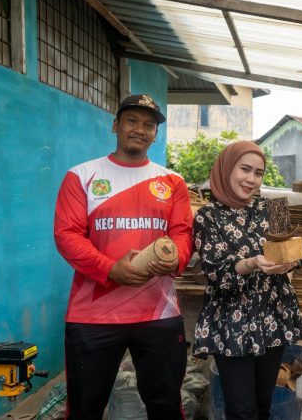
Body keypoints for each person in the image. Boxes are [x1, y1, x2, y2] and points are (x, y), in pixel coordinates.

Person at [54, 94, 193, 419]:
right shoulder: (81, 176)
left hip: (158, 314)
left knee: (166, 407)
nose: (140, 129)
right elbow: (67, 235)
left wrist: (176, 258)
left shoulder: (173, 182)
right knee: (85, 410)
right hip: (93, 316)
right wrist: (109, 268)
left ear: (155, 134)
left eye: (148, 125)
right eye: (132, 120)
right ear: (116, 125)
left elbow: (182, 233)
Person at [193, 141, 302, 420]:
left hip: (273, 314)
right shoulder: (207, 216)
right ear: (227, 168)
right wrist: (253, 263)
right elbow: (215, 271)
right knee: (242, 410)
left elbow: (296, 255)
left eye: (258, 173)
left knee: (263, 404)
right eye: (245, 169)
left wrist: (290, 264)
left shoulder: (273, 208)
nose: (251, 179)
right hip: (232, 320)